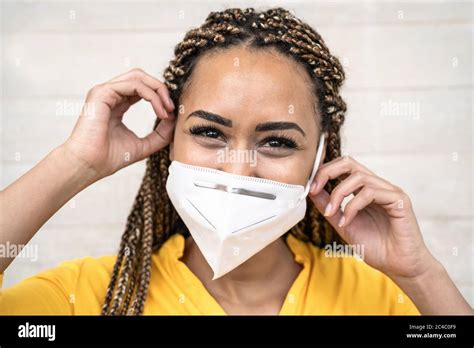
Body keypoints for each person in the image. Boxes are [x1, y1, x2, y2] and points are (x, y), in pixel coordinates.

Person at [0, 7, 471, 315]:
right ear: (169, 143)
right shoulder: (90, 296)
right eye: (209, 133)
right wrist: (75, 162)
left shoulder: (381, 297)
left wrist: (421, 274)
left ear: (320, 157)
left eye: (278, 143)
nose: (239, 169)